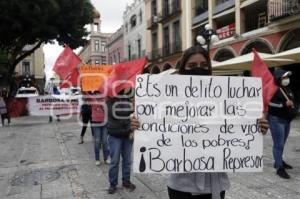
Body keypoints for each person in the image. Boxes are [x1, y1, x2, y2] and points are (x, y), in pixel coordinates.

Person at [130, 45, 269, 199]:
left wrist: (256, 127)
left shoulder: (224, 96)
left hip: (214, 184)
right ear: (183, 69)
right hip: (181, 185)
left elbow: (239, 125)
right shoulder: (168, 98)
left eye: (204, 65)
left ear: (209, 69)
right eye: (192, 66)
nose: (199, 69)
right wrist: (138, 125)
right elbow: (153, 124)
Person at [268, 69, 297, 179]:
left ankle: (278, 161)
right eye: (284, 77)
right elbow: (269, 104)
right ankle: (279, 168)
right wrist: (284, 104)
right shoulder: (274, 89)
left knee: (282, 143)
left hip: (286, 120)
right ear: (279, 78)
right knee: (278, 144)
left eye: (287, 77)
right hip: (276, 120)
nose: (286, 79)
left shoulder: (287, 88)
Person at [107, 89, 136, 194]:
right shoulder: (110, 98)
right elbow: (116, 113)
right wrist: (131, 111)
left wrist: (134, 107)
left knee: (127, 161)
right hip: (115, 135)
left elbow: (132, 114)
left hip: (127, 135)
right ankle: (113, 184)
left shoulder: (127, 98)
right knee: (114, 161)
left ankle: (126, 181)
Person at [90, 92, 110, 166]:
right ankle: (97, 159)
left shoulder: (105, 98)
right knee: (97, 141)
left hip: (104, 123)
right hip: (96, 123)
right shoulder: (92, 99)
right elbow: (85, 93)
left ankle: (106, 158)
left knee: (105, 141)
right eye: (96, 93)